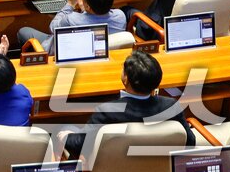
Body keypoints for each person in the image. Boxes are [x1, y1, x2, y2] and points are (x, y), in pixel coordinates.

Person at [63, 50, 194, 158]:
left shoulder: (107, 112)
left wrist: (64, 137)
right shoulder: (171, 106)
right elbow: (190, 141)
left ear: (125, 79)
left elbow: (80, 146)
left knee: (65, 129)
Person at [18, 0, 125, 52]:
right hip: (96, 54)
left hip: (61, 53)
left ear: (88, 5)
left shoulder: (71, 19)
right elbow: (94, 20)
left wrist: (70, 4)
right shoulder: (121, 16)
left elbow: (52, 28)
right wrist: (84, 9)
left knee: (23, 31)